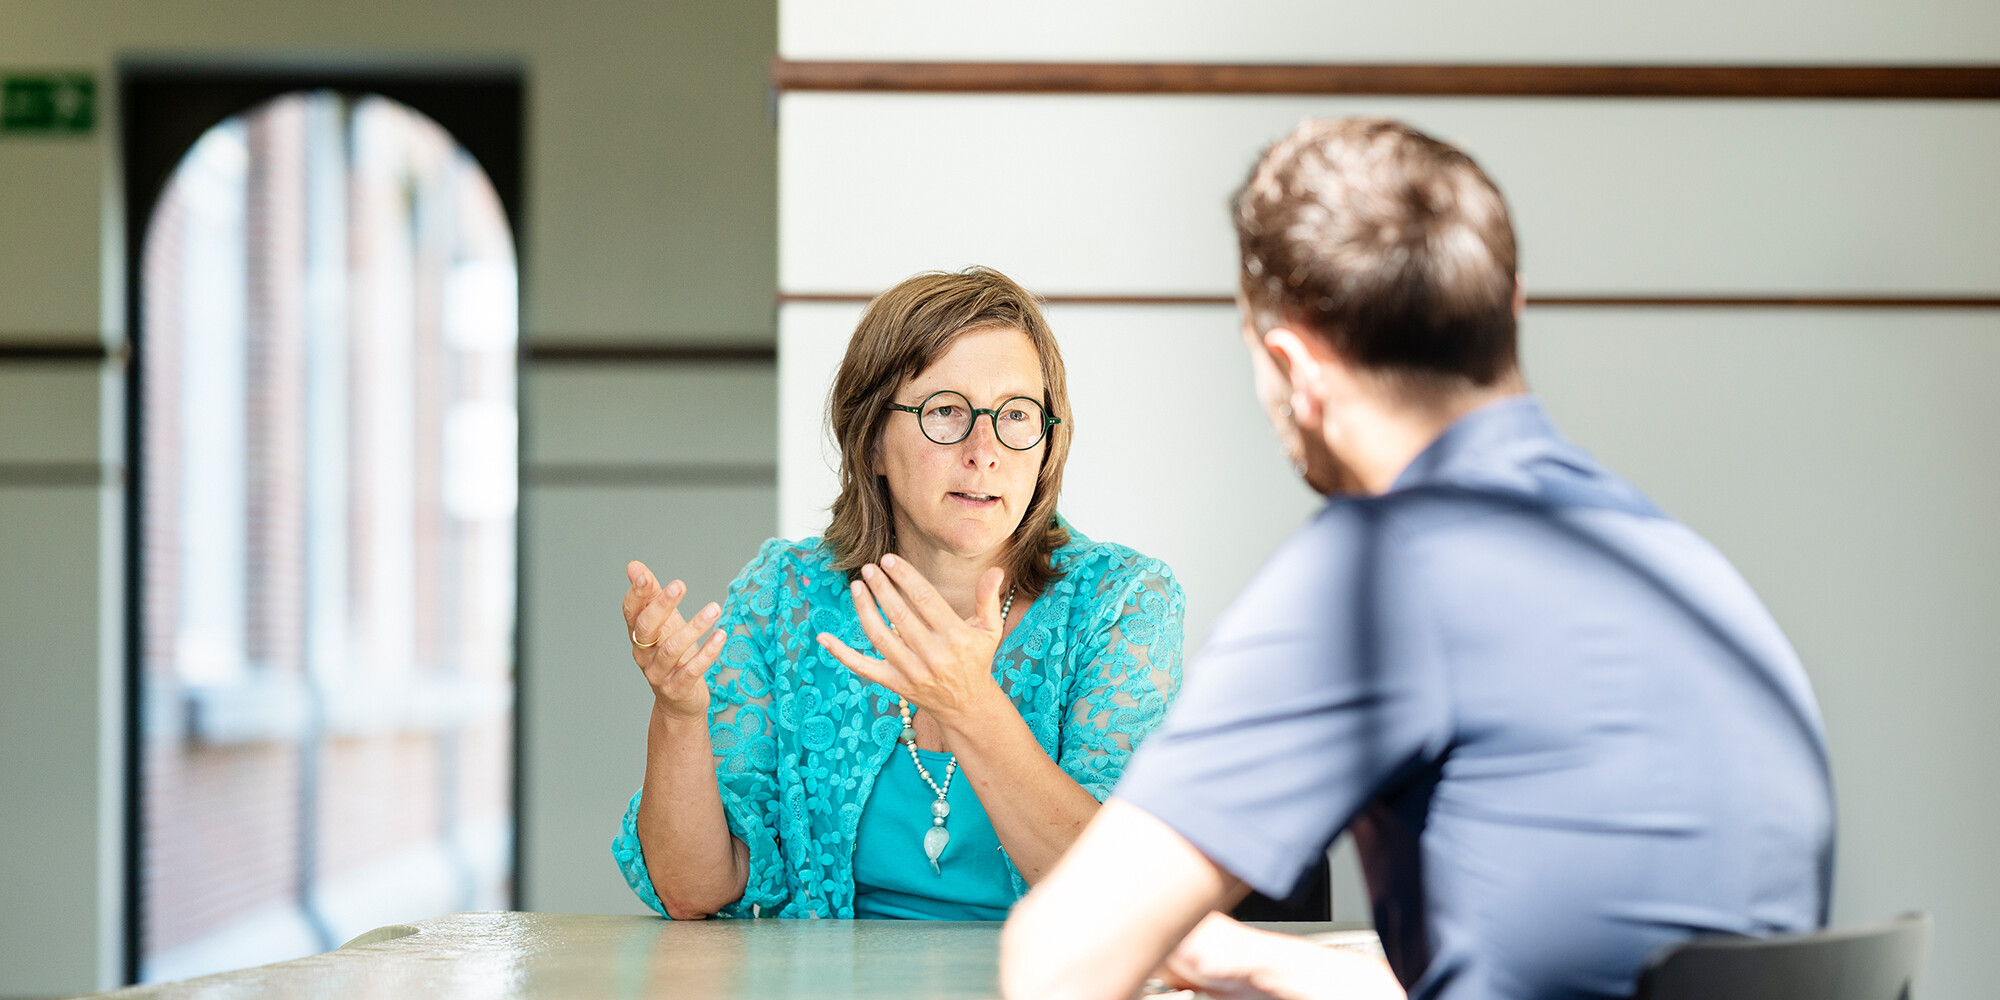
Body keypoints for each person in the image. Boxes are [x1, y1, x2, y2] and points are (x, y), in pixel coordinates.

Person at [1000, 118, 1835, 999]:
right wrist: (1277, 965)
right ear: (1512, 307)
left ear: (1293, 367)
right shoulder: (1671, 563)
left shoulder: (1382, 575)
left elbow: (1060, 961)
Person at [610, 266, 1185, 920]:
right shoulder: (785, 594)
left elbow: (1119, 891)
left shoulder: (1120, 602)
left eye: (1016, 415)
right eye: (946, 412)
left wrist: (972, 708)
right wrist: (678, 714)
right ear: (873, 441)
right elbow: (696, 891)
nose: (985, 450)